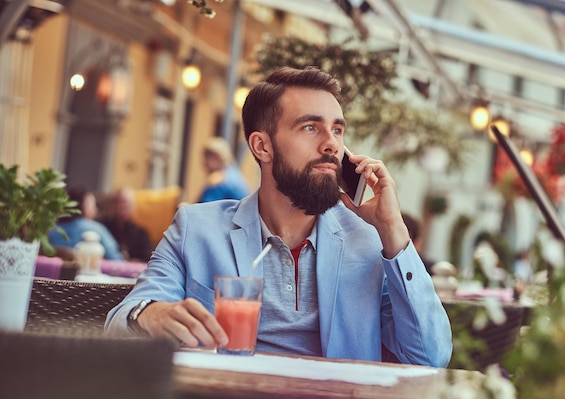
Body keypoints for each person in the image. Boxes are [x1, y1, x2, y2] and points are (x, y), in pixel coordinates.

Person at [106, 67, 451, 369]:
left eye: (337, 130)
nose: (331, 143)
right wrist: (149, 314)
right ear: (262, 147)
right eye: (310, 128)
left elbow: (430, 355)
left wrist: (392, 229)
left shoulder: (371, 242)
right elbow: (121, 320)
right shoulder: (196, 228)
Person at [48, 187, 124, 260]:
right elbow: (115, 258)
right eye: (94, 205)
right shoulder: (96, 229)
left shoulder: (53, 230)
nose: (96, 210)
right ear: (85, 206)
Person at [101, 188, 153, 262]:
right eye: (117, 201)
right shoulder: (103, 227)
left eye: (124, 202)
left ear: (132, 206)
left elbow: (147, 257)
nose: (120, 206)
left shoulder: (141, 233)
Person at [197, 137, 250, 202]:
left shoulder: (219, 179)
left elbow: (203, 208)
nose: (204, 165)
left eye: (206, 161)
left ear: (215, 158)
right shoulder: (233, 172)